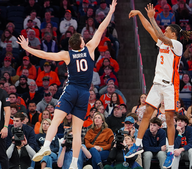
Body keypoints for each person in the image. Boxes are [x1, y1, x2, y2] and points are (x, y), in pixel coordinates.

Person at [16, 1, 117, 169]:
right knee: (77, 132)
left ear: (72, 46)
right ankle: (74, 166)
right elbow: (101, 29)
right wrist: (111, 10)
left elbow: (44, 54)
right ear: (83, 43)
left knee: (55, 120)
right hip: (85, 93)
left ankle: (47, 146)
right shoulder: (90, 48)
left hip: (71, 90)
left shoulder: (67, 55)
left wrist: (28, 48)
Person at [127, 4, 192, 168]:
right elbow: (150, 29)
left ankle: (170, 151)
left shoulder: (176, 45)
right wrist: (140, 14)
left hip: (169, 86)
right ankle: (138, 143)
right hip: (156, 84)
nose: (164, 32)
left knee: (170, 120)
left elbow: (161, 36)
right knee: (147, 114)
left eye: (167, 30)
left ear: (174, 34)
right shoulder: (162, 43)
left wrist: (151, 16)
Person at [0, 88, 11, 168]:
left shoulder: (2, 93)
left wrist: (5, 126)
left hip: (0, 128)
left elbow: (7, 111)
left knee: (2, 154)